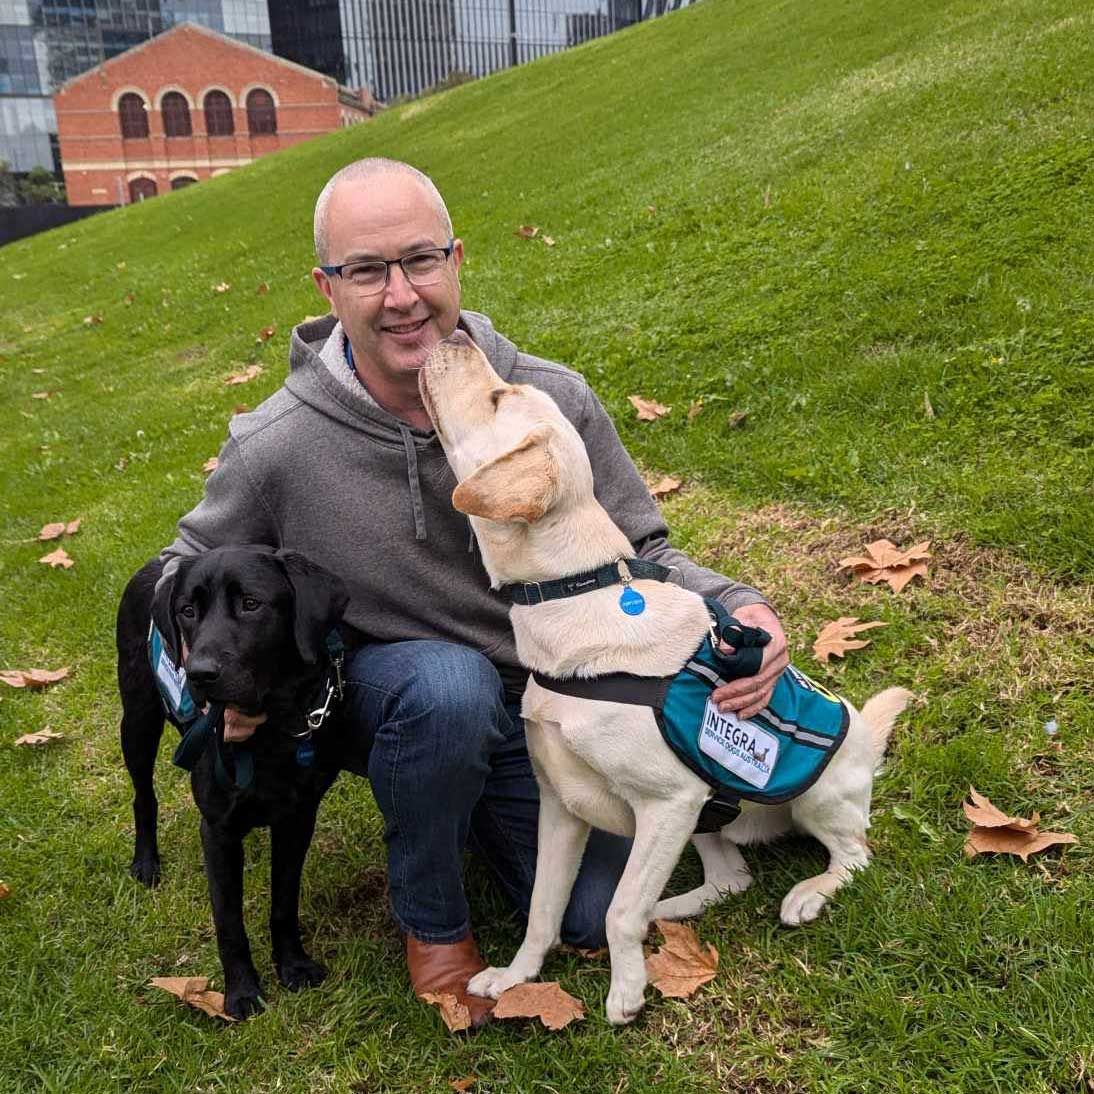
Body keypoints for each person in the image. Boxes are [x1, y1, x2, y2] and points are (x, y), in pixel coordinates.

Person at [161, 157, 788, 1027]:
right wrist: (200, 687)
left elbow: (642, 548)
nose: (402, 295)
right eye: (367, 270)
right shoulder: (278, 444)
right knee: (445, 687)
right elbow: (179, 569)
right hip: (397, 696)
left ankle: (520, 819)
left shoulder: (549, 401)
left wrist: (742, 604)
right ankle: (435, 925)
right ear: (326, 287)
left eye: (420, 260)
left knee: (581, 914)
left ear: (456, 260)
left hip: (557, 699)